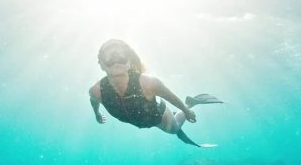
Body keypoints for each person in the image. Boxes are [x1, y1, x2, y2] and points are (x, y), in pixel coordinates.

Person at [88, 39, 222, 147]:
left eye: (121, 56)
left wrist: (186, 111)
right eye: (110, 57)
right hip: (138, 119)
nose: (116, 61)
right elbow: (93, 100)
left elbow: (170, 97)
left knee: (174, 130)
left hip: (157, 115)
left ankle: (189, 104)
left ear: (129, 62)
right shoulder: (96, 91)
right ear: (101, 64)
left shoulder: (148, 83)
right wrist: (97, 113)